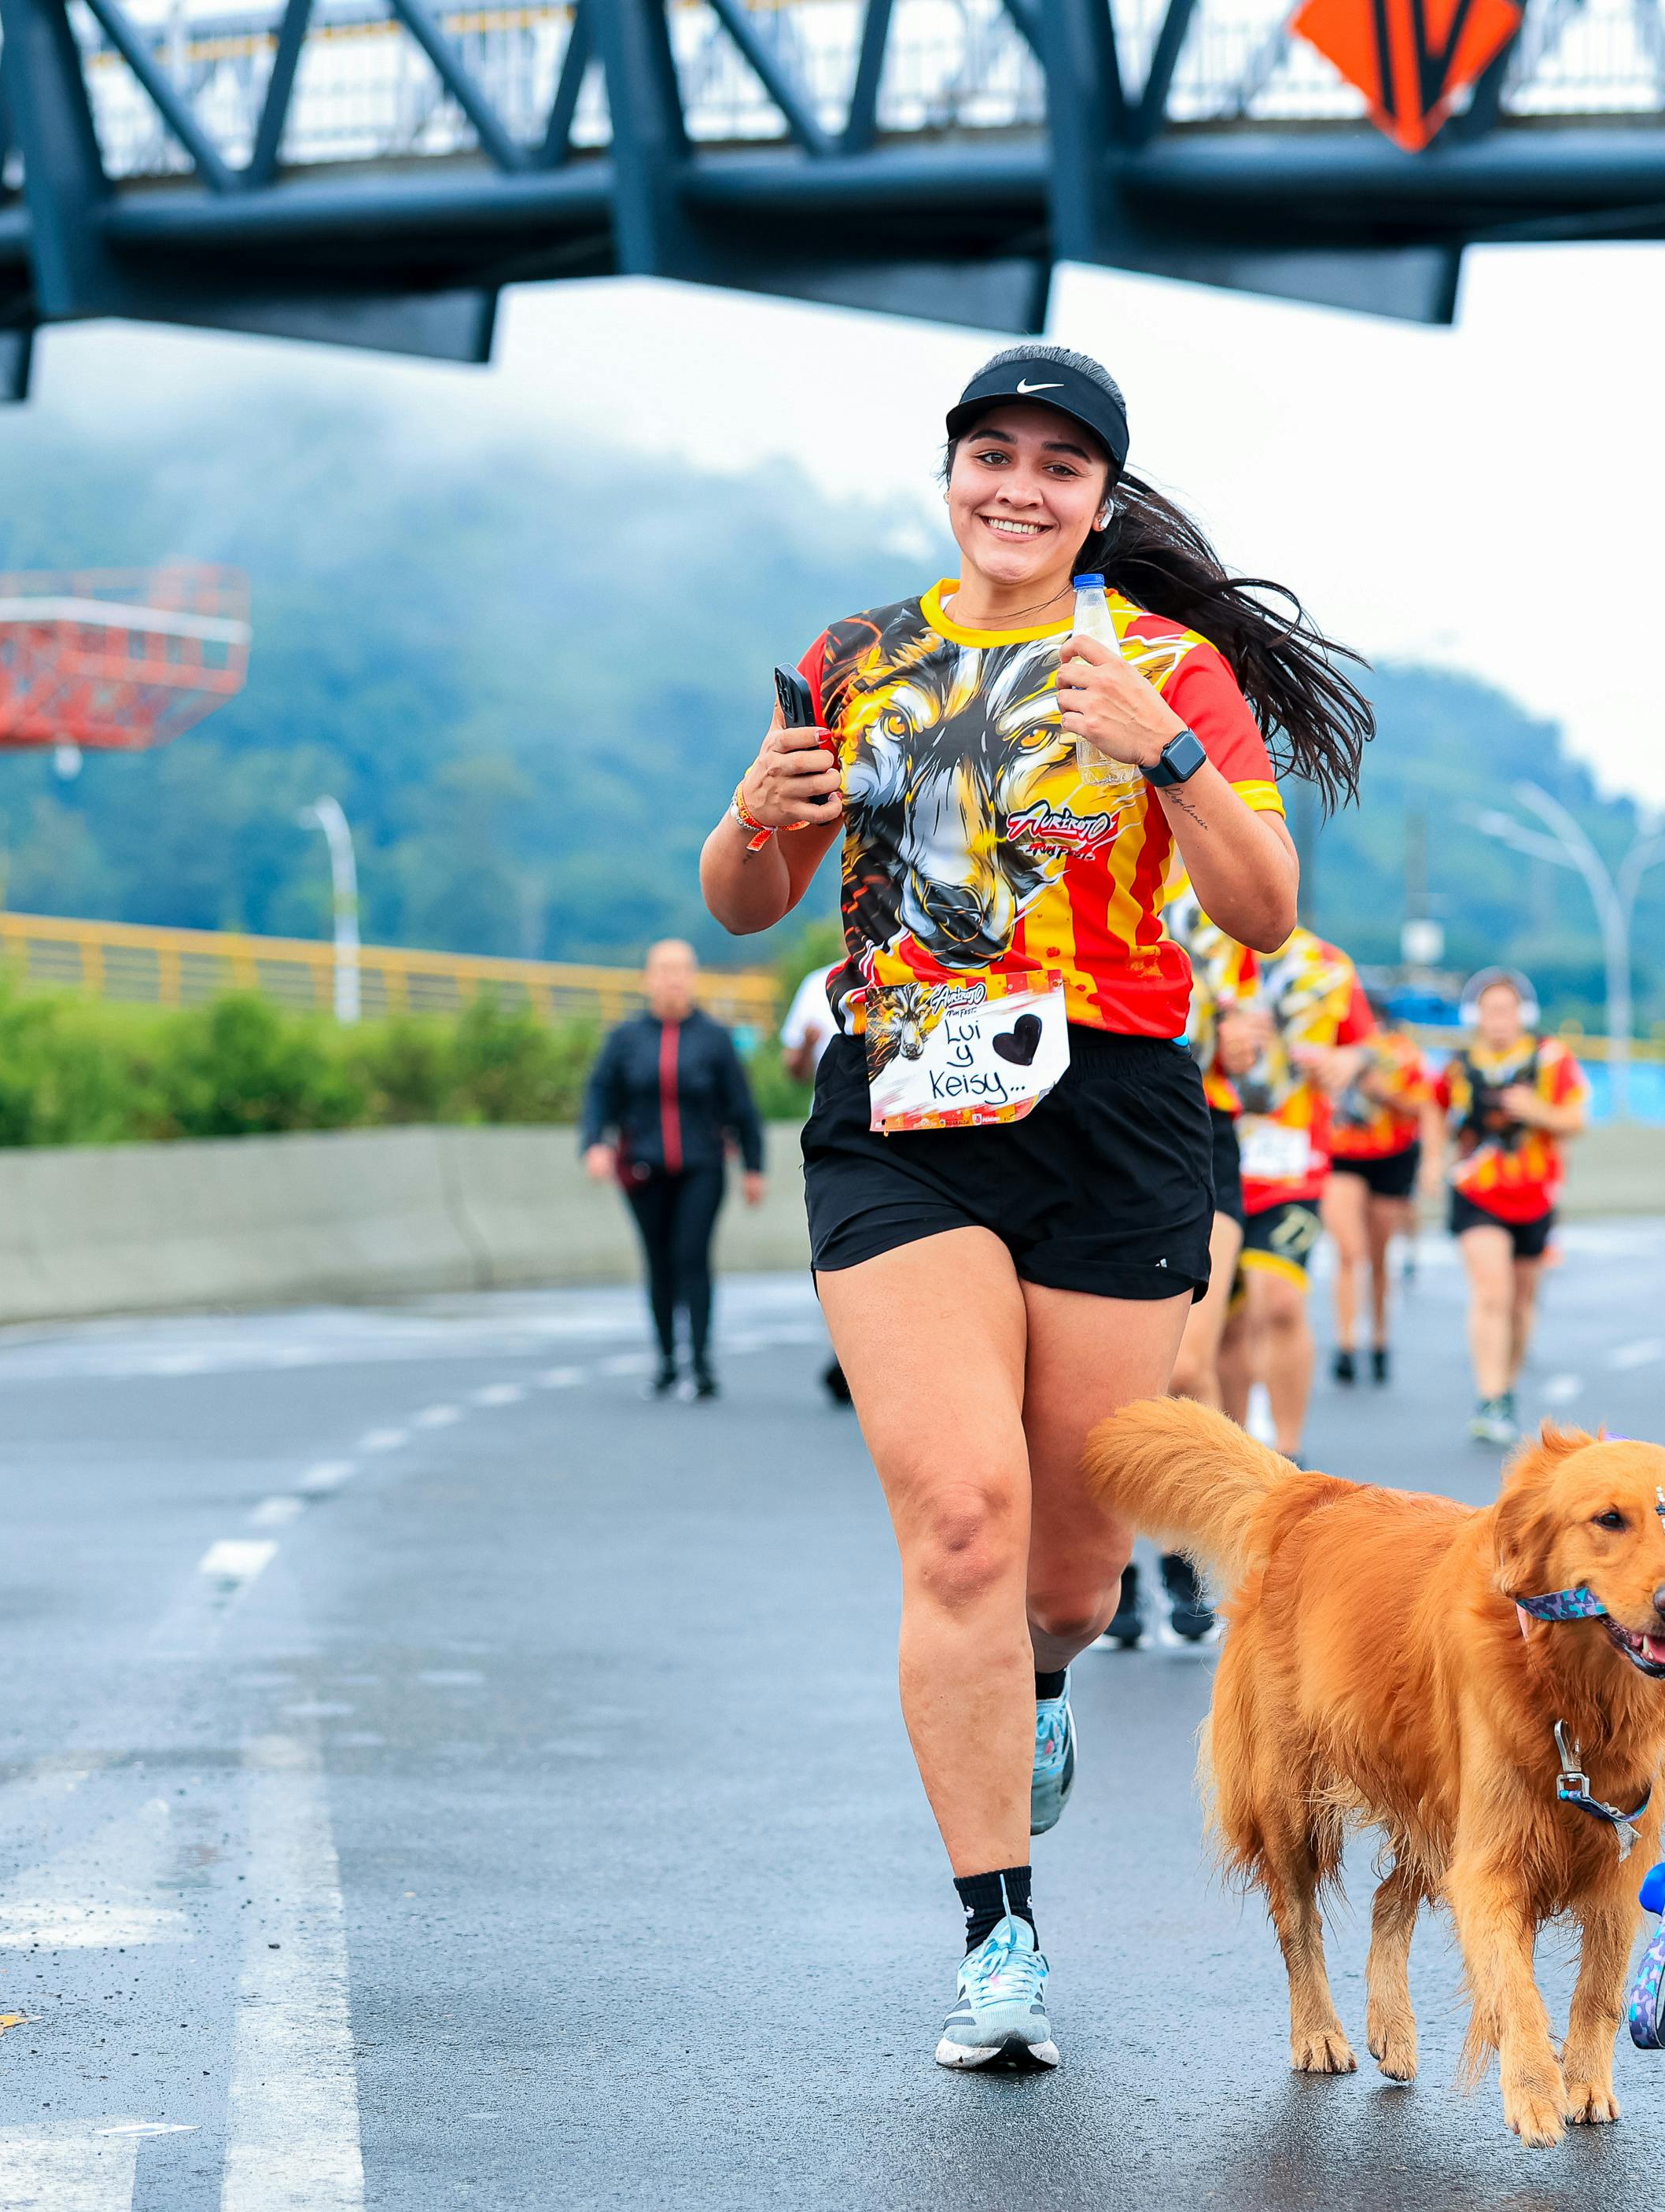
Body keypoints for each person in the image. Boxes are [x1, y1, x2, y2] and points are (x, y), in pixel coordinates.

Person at [697, 344, 1368, 2074]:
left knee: (1068, 1576)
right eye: (991, 454)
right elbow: (749, 897)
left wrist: (1168, 756)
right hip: (903, 1108)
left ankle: (1047, 1682)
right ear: (951, 476)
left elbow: (1266, 909)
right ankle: (998, 1936)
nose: (1019, 486)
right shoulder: (856, 656)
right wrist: (754, 817)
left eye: (1059, 465)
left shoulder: (1166, 666)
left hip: (1115, 1114)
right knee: (962, 1526)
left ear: (1099, 500)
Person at [1107, 881, 1259, 1649]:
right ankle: (1110, 1571)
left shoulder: (1215, 904)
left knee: (1189, 1360)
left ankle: (1189, 1553)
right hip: (1092, 1121)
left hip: (1198, 1129)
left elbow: (1261, 1070)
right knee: (1100, 1381)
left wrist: (1242, 1043)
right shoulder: (1060, 861)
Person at [580, 939, 767, 1400]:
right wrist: (595, 1143)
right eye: (664, 970)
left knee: (692, 1257)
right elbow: (600, 1093)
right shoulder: (626, 1039)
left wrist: (753, 1167)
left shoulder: (714, 1038)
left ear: (693, 977)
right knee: (658, 1261)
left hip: (702, 1167)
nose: (673, 979)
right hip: (643, 1169)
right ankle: (666, 1361)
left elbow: (741, 1106)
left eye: (682, 969)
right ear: (648, 978)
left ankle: (700, 1364)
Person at [1215, 927, 1368, 1466]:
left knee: (1279, 1303)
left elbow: (1363, 1044)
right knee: (1226, 1322)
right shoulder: (1203, 944)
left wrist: (1345, 1063)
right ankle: (1232, 1459)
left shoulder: (1328, 963)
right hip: (1210, 1156)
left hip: (1291, 1168)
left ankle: (1288, 1453)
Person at [1437, 968, 1586, 1447]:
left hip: (1534, 1196)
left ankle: (1506, 1384)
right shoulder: (1460, 1066)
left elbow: (1576, 1119)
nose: (1498, 1019)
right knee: (1492, 1293)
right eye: (1489, 1010)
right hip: (1476, 1193)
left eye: (1506, 1010)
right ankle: (1490, 1398)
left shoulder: (1551, 1059)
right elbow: (1434, 1111)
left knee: (1521, 1305)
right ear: (1474, 1015)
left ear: (1523, 1013)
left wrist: (1536, 1111)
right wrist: (1431, 1162)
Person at [1322, 997, 1434, 1386]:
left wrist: (1384, 1093)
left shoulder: (1401, 1052)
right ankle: (1346, 1344)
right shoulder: (1328, 1047)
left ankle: (1380, 1340)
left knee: (1379, 1255)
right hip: (1342, 1156)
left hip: (1390, 1156)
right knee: (1348, 1251)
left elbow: (1425, 1106)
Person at [779, 960, 855, 1406]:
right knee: (838, 1248)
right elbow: (792, 1070)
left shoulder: (927, 961)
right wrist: (806, 1047)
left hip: (911, 1128)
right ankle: (846, 1351)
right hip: (837, 1134)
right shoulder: (817, 985)